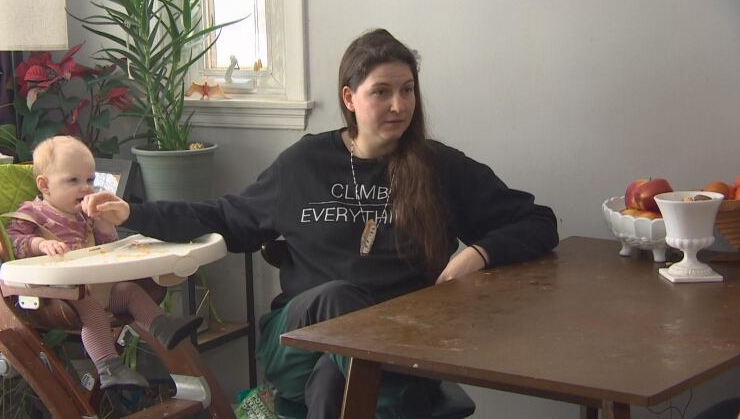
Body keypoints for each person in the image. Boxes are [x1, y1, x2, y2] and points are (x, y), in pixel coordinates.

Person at [84, 29, 559, 417]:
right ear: (350, 98)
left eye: (408, 89)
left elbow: (538, 222)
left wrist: (476, 254)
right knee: (337, 300)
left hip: (402, 343)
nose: (399, 105)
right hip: (297, 343)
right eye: (382, 92)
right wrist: (134, 212)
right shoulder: (305, 164)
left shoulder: (441, 169)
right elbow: (226, 216)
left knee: (334, 382)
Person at [6, 136, 203, 390]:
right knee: (90, 308)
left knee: (130, 291)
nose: (86, 188)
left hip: (97, 286)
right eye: (73, 180)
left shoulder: (83, 216)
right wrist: (40, 245)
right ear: (44, 185)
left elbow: (107, 246)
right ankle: (109, 367)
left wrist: (103, 222)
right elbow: (14, 241)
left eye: (90, 180)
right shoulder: (34, 213)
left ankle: (163, 328)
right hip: (59, 295)